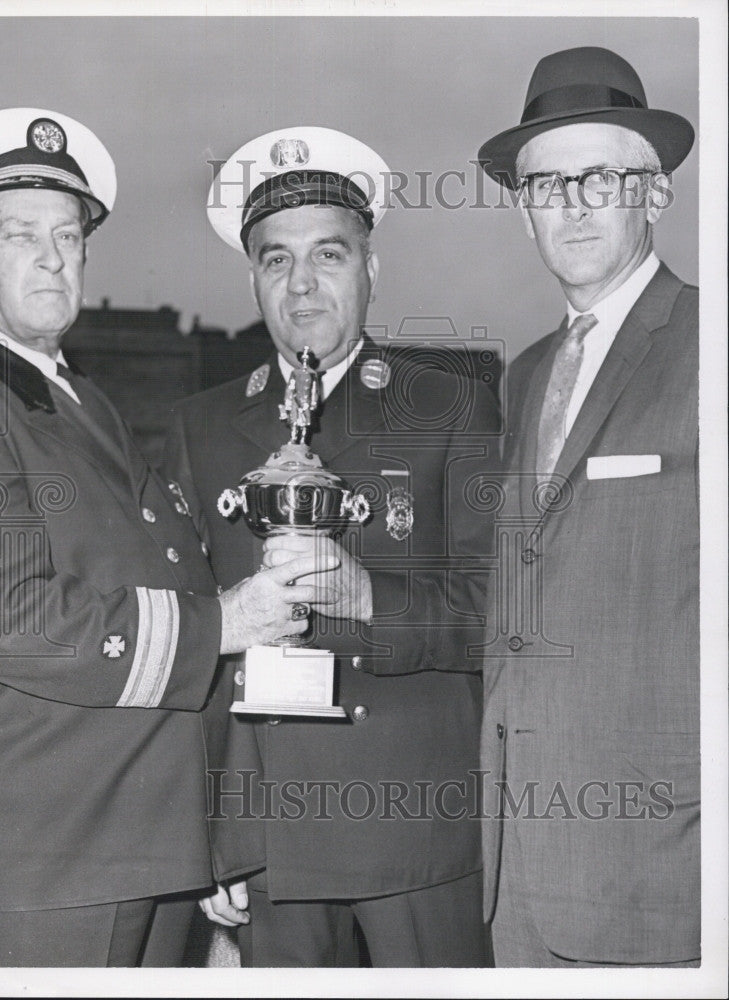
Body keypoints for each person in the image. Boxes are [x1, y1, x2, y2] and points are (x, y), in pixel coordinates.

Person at [0, 108, 336, 967]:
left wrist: (207, 838)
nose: (54, 255)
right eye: (20, 234)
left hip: (139, 843)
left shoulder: (76, 397)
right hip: (46, 858)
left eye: (70, 234)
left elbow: (172, 585)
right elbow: (13, 618)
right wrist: (228, 624)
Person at [164, 126, 501, 967]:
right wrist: (209, 827)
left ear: (371, 269)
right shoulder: (201, 423)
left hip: (414, 834)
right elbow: (192, 642)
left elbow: (504, 615)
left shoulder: (453, 406)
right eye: (276, 260)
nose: (302, 285)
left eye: (329, 255)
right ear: (252, 279)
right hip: (265, 843)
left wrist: (367, 599)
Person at [476, 47, 699, 966]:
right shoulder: (525, 374)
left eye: (598, 177)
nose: (568, 203)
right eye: (543, 185)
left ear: (653, 194)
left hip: (662, 862)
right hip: (516, 863)